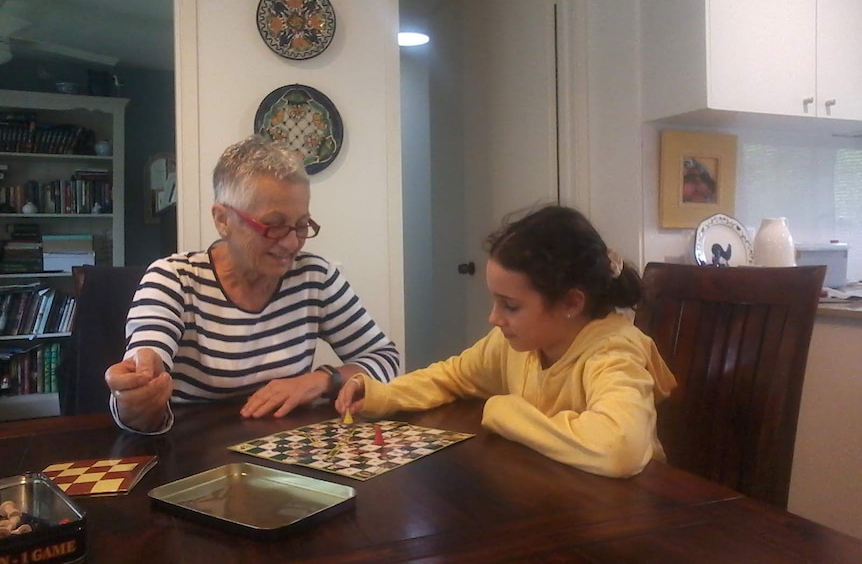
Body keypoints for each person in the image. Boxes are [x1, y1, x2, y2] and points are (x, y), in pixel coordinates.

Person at [335, 205, 677, 478]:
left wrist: (505, 411)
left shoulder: (614, 351)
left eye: (510, 306)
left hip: (632, 518)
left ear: (571, 303)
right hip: (556, 495)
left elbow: (620, 450)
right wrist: (381, 393)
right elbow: (453, 376)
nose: (494, 318)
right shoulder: (514, 343)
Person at [105, 136, 400, 434]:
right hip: (193, 453)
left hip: (285, 454)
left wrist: (321, 380)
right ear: (223, 220)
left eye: (301, 225)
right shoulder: (173, 278)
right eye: (273, 225)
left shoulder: (315, 277)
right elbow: (146, 358)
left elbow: (386, 359)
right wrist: (138, 392)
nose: (291, 243)